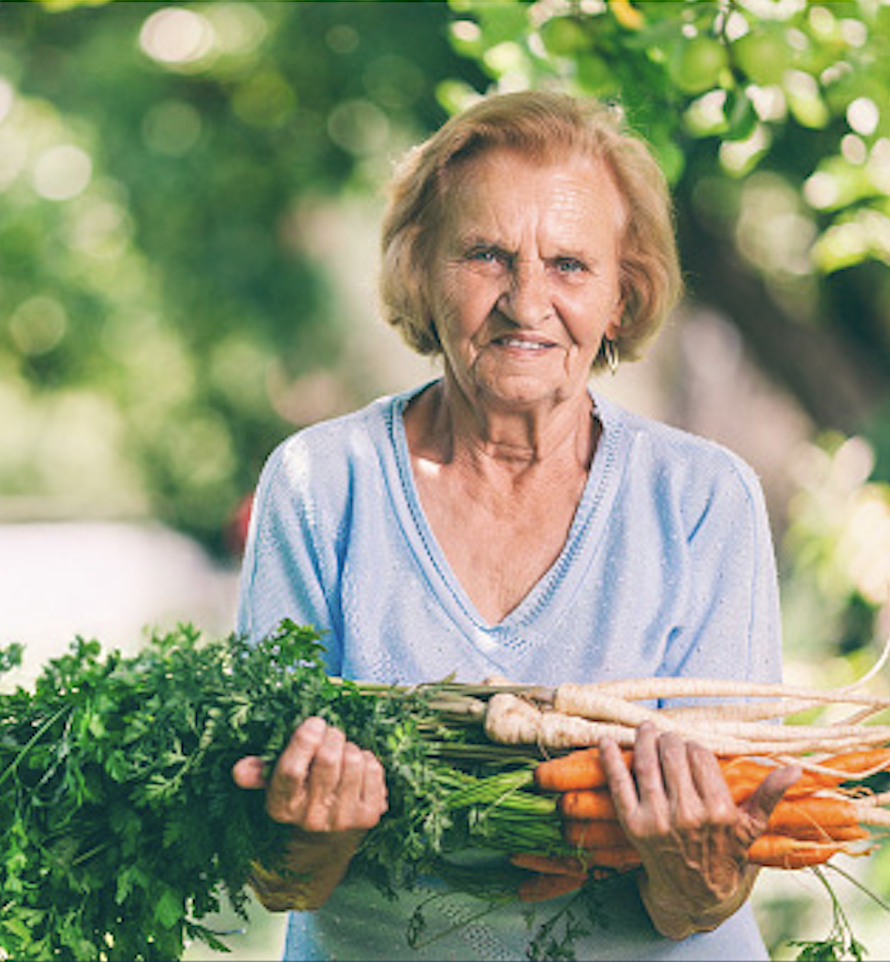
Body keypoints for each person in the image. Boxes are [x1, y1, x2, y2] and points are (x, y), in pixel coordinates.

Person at [229, 89, 800, 961]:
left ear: (621, 295)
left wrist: (698, 876)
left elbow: (703, 900)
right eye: (487, 256)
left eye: (570, 265)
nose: (526, 302)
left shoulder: (702, 499)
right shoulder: (319, 486)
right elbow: (277, 876)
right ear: (421, 269)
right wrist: (312, 837)